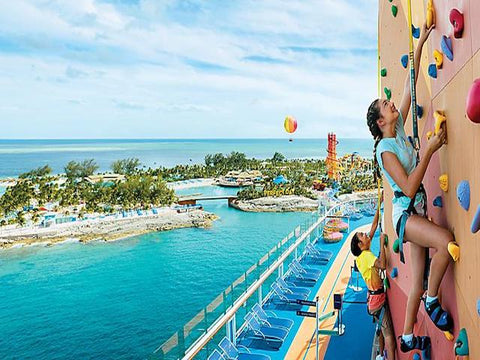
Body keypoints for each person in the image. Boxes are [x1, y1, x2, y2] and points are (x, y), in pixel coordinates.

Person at [365, 21, 459, 353]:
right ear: (381, 121)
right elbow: (406, 186)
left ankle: (405, 337)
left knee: (416, 281)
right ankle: (434, 300)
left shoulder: (398, 127)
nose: (391, 104)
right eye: (385, 105)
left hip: (415, 209)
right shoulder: (384, 150)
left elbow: (409, 88)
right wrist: (430, 149)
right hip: (407, 215)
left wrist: (418, 47)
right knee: (446, 241)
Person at [351, 205, 396, 360]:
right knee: (389, 336)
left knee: (381, 330)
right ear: (359, 244)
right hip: (377, 300)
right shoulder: (366, 257)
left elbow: (374, 225)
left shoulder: (362, 255)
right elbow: (383, 265)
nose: (366, 234)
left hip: (373, 300)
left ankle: (381, 356)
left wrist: (379, 205)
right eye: (363, 235)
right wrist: (383, 244)